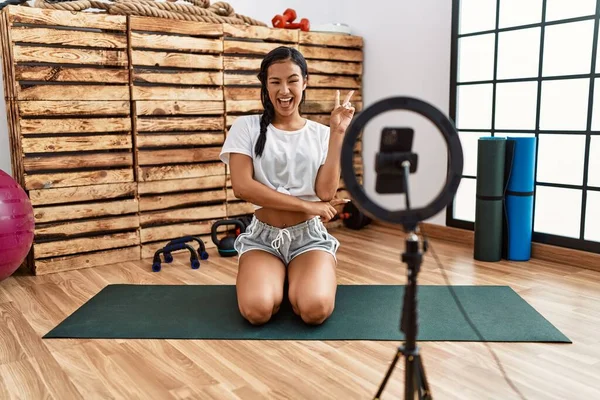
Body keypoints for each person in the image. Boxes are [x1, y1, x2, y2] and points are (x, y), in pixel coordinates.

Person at [219, 46, 356, 326]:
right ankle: (277, 279)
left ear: (304, 82)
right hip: (262, 239)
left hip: (308, 237)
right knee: (257, 312)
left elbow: (326, 194)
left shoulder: (321, 132)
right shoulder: (245, 127)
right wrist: (308, 206)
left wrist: (338, 134)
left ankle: (299, 277)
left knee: (314, 310)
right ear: (265, 85)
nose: (285, 90)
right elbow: (243, 187)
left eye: (292, 80)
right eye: (275, 82)